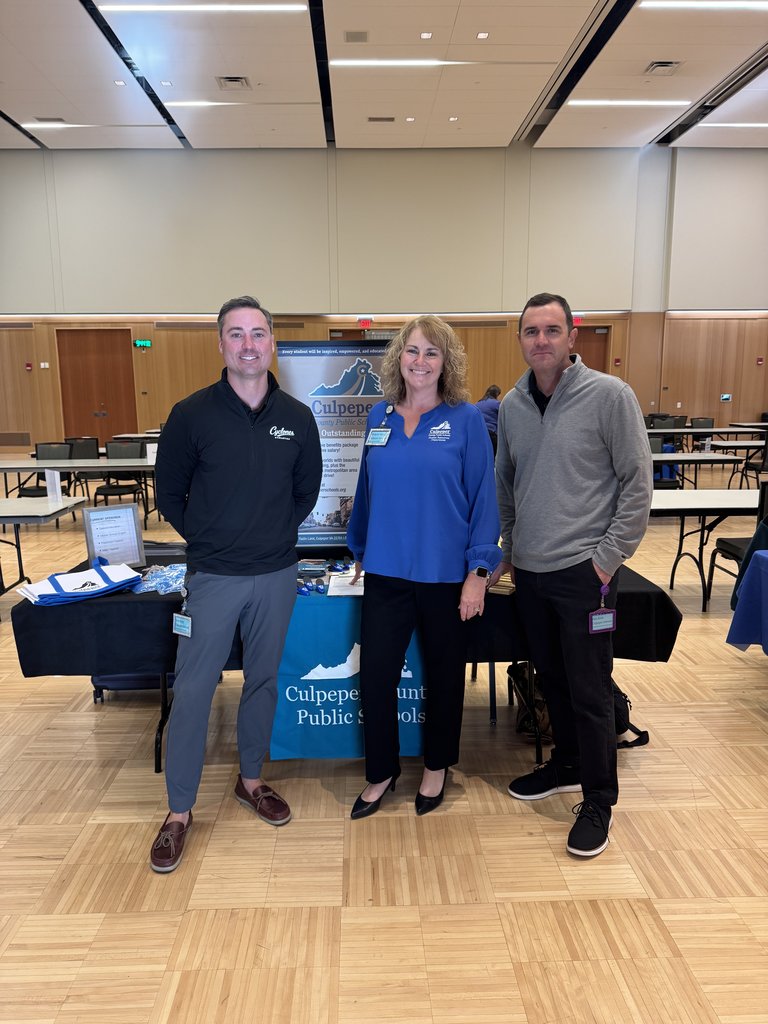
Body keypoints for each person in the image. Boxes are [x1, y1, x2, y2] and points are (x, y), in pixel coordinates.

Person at [149, 295, 322, 873]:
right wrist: (215, 537)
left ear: (272, 342)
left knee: (263, 682)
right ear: (220, 344)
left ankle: (251, 781)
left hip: (276, 574)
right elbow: (169, 495)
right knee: (194, 690)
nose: (248, 344)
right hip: (213, 579)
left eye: (258, 333)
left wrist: (268, 536)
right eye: (236, 334)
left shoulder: (297, 418)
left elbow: (306, 494)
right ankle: (178, 812)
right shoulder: (190, 415)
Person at [491, 292, 651, 857]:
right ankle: (565, 764)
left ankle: (600, 799)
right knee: (551, 680)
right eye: (531, 331)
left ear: (571, 337)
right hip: (531, 574)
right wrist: (509, 547)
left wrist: (607, 559)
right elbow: (505, 483)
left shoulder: (610, 396)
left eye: (552, 330)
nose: (541, 341)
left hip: (585, 574)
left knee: (589, 689)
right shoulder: (511, 405)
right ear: (521, 340)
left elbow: (637, 484)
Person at [346, 315, 501, 819]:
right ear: (398, 358)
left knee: (445, 678)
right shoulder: (379, 418)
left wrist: (478, 573)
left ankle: (436, 769)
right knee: (376, 679)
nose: (420, 361)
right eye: (412, 351)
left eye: (431, 353)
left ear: (446, 362)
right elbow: (366, 490)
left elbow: (484, 499)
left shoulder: (465, 420)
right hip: (387, 572)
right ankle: (381, 772)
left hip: (445, 577)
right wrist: (360, 548)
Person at [475, 384, 501, 453]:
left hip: (478, 434)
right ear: (496, 394)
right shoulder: (496, 403)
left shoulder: (477, 403)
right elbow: (505, 415)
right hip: (491, 434)